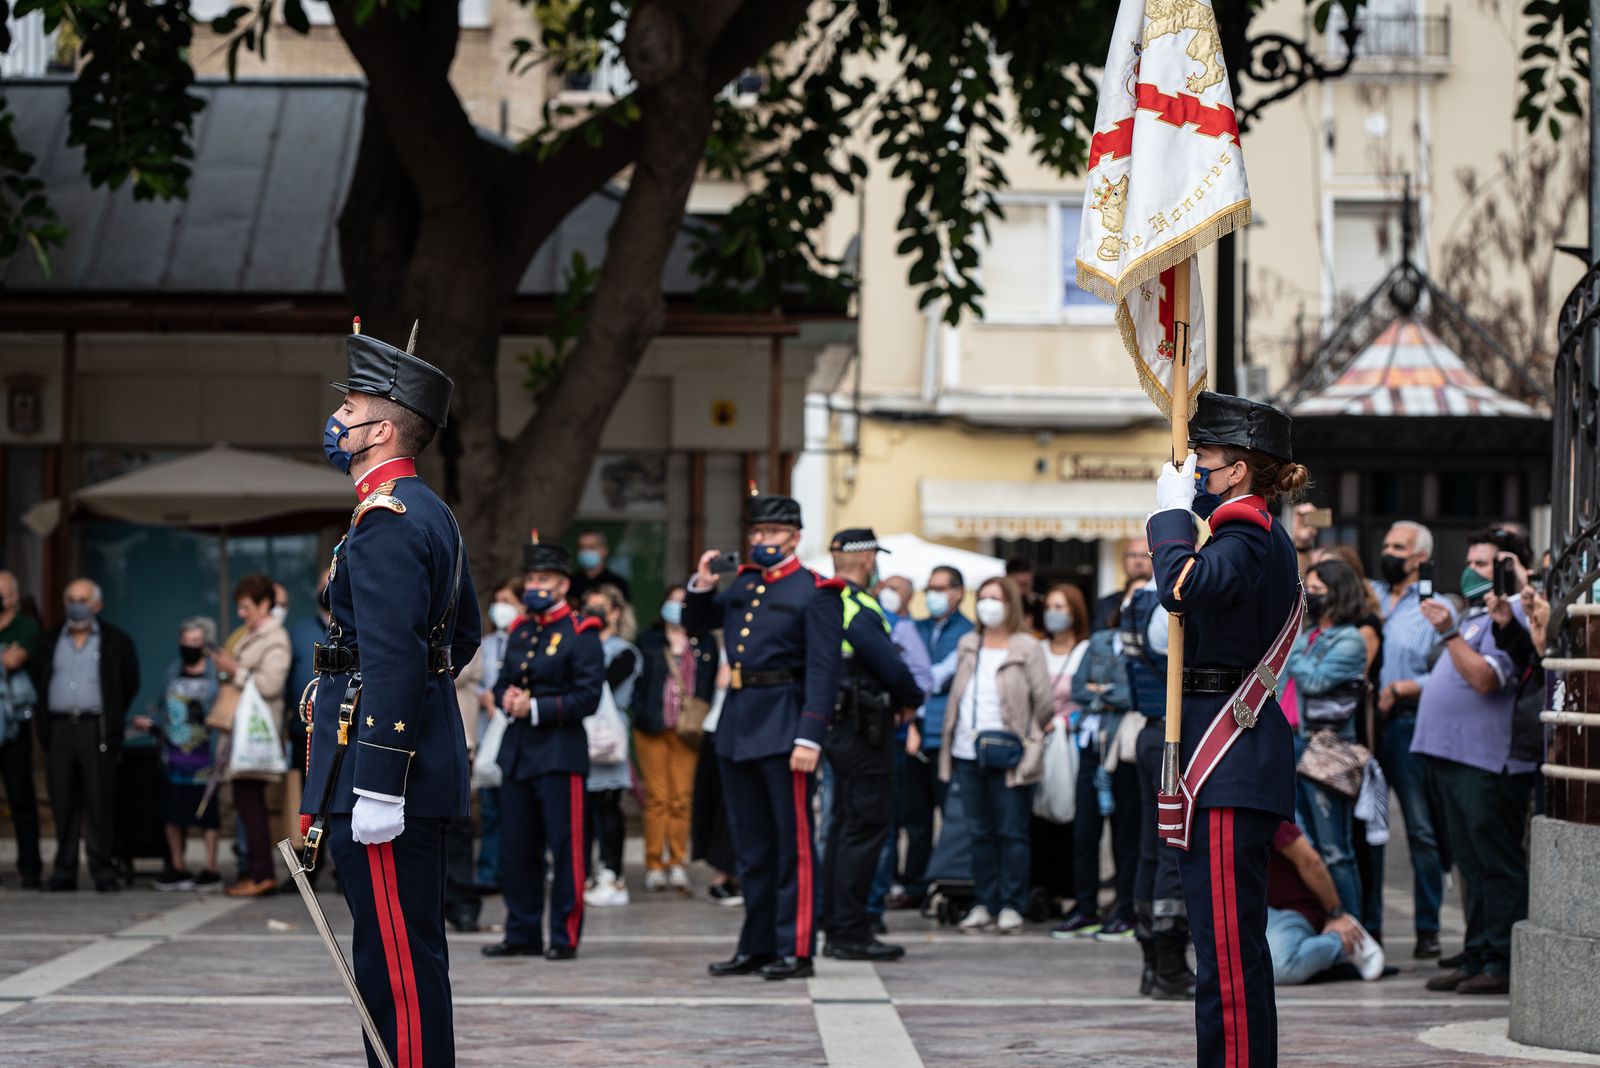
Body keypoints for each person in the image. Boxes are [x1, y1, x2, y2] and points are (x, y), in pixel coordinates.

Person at [301, 327, 481, 1068]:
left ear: (380, 427)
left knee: (397, 972)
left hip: (385, 780)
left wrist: (378, 778)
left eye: (350, 406)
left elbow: (401, 655)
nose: (338, 420)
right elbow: (457, 638)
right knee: (399, 958)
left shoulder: (385, 521)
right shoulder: (424, 509)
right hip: (409, 760)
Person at [1147, 391, 1308, 1068]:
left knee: (1228, 959)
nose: (1196, 471)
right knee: (1223, 949)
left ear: (1238, 470)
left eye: (1204, 459)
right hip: (1224, 753)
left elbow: (1181, 584)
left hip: (1227, 758)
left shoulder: (1246, 535)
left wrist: (1167, 518)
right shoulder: (1244, 533)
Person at [686, 492, 844, 981]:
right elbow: (698, 624)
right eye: (756, 533)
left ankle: (794, 948)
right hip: (738, 723)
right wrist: (702, 584)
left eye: (772, 534)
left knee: (791, 845)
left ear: (794, 537)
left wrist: (810, 737)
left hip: (785, 725)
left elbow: (823, 670)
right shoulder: (745, 585)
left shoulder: (816, 590)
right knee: (749, 847)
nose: (762, 541)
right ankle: (754, 946)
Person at [1412, 527, 1536, 996]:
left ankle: (1501, 960)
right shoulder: (1475, 615)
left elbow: (1488, 679)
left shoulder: (1517, 615)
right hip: (1451, 755)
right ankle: (1477, 952)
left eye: (1483, 564)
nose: (1471, 571)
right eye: (1470, 562)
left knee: (1495, 864)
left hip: (1487, 761)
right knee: (1470, 864)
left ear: (1509, 566)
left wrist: (1446, 631)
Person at [485, 535, 604, 960]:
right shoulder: (520, 629)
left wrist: (533, 706)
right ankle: (522, 931)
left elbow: (587, 697)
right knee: (517, 849)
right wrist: (506, 698)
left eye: (545, 579)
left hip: (558, 752)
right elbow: (502, 682)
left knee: (567, 849)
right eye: (532, 578)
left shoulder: (581, 631)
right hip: (518, 752)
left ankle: (564, 935)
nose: (536, 585)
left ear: (563, 585)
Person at [821, 530, 926, 962]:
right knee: (864, 829)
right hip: (864, 731)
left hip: (840, 728)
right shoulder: (858, 606)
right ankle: (850, 930)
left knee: (843, 827)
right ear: (866, 560)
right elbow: (891, 667)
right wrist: (912, 698)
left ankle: (835, 922)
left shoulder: (826, 600)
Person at [940, 576, 1054, 934]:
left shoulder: (1026, 646)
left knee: (1012, 831)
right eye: (983, 598)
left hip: (1010, 752)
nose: (987, 604)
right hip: (966, 751)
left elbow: (1045, 703)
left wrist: (1030, 738)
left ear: (1010, 605)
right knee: (978, 832)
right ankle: (984, 902)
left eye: (996, 598)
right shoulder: (968, 643)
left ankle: (1011, 904)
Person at [1372, 520, 1447, 960]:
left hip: (1407, 722)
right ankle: (1368, 925)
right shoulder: (1373, 595)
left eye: (1397, 546)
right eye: (1386, 544)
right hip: (1366, 725)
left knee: (1421, 829)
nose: (1388, 552)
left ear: (1420, 557)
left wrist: (1402, 689)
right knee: (1368, 826)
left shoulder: (1435, 607)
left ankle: (1428, 927)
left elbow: (1446, 670)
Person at [38, 578, 140, 892]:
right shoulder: (50, 639)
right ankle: (64, 870)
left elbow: (128, 683)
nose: (76, 604)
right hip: (59, 728)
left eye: (82, 598)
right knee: (62, 801)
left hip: (96, 728)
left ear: (96, 604)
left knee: (100, 801)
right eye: (71, 598)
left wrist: (110, 717)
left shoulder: (114, 640)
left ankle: (102, 869)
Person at [1282, 559, 1370, 921]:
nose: (1311, 598)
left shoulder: (1349, 640)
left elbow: (1315, 681)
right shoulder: (1311, 635)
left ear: (1338, 594)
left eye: (1318, 591)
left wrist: (1293, 650)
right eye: (1310, 590)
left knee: (1336, 849)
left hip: (1325, 749)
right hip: (1296, 742)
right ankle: (1329, 923)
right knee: (1310, 844)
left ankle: (1356, 934)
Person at [1057, 582, 1140, 939]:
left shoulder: (1151, 646)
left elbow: (1139, 693)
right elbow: (1077, 688)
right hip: (1093, 744)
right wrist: (1109, 697)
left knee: (1127, 835)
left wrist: (1103, 694)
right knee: (1084, 831)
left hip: (1124, 747)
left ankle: (1126, 909)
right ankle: (1085, 906)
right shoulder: (1100, 641)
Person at [1123, 578, 1194, 998]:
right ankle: (1167, 963)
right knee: (1171, 845)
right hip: (1172, 735)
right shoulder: (1174, 596)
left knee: (1153, 848)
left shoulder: (1138, 598)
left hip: (1153, 732)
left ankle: (1154, 961)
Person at [212, 573, 291, 898]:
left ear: (264, 604)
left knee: (251, 804)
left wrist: (236, 671)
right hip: (243, 733)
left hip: (256, 736)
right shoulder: (253, 634)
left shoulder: (275, 637)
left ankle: (262, 874)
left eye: (246, 606)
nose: (242, 613)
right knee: (246, 804)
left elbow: (270, 684)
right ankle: (257, 872)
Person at [634, 585, 716, 892]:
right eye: (673, 600)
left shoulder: (705, 641)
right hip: (651, 727)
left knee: (682, 799)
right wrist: (639, 712)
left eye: (684, 602)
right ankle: (654, 864)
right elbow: (637, 682)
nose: (677, 607)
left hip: (688, 730)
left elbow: (708, 684)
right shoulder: (648, 639)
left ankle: (677, 862)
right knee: (657, 799)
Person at [135, 617, 222, 891]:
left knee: (208, 814)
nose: (189, 647)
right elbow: (164, 707)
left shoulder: (215, 675)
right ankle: (178, 866)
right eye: (185, 642)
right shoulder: (173, 672)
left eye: (195, 642)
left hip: (206, 755)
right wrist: (152, 724)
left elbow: (223, 711)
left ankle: (210, 868)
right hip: (173, 755)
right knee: (172, 812)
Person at [866, 573, 932, 923]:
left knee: (887, 822)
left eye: (897, 591)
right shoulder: (861, 617)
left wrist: (905, 717)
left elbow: (922, 680)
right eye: (885, 588)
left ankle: (875, 901)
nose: (888, 594)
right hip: (854, 734)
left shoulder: (904, 629)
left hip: (888, 737)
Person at [906, 566, 973, 901]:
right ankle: (915, 885)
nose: (932, 595)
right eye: (928, 588)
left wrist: (917, 679)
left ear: (957, 592)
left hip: (945, 736)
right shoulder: (913, 628)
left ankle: (948, 884)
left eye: (940, 588)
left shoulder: (968, 632)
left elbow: (931, 678)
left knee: (951, 816)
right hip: (912, 734)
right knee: (914, 819)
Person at [1265, 821, 1384, 985]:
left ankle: (1347, 941)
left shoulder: (1263, 808)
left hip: (1292, 908)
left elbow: (1310, 861)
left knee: (1282, 967)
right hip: (1255, 910)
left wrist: (1336, 914)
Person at [582, 583, 641, 909]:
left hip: (607, 737)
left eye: (601, 606)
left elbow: (598, 682)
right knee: (583, 810)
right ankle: (587, 871)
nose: (593, 612)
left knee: (607, 807)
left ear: (615, 612)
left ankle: (612, 873)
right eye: (588, 606)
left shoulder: (624, 652)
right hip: (579, 736)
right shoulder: (579, 644)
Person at [1033, 583, 1089, 919]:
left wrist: (1067, 720)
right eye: (1050, 606)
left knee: (1070, 814)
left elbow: (1089, 696)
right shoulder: (1036, 649)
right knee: (1037, 817)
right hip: (1038, 742)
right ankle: (1042, 889)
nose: (1054, 613)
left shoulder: (1085, 651)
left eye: (1061, 607)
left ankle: (1070, 889)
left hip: (1072, 744)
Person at [474, 575, 524, 892]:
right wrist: (485, 694)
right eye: (498, 602)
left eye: (508, 602)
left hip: (519, 736)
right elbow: (474, 678)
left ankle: (517, 871)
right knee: (491, 809)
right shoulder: (487, 644)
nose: (500, 608)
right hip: (489, 733)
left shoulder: (529, 640)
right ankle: (488, 872)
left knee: (517, 810)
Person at [0, 570, 43, 889]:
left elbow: (15, 661)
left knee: (21, 797)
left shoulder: (26, 626)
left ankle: (30, 867)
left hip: (14, 725)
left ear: (15, 597)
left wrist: (8, 657)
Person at [690, 649, 742, 907]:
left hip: (743, 732)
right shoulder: (729, 645)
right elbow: (722, 680)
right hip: (721, 731)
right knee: (725, 809)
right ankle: (721, 877)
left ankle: (734, 876)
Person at [283, 576, 328, 857]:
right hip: (306, 732)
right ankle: (309, 862)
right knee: (308, 802)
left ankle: (342, 870)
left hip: (347, 733)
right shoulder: (298, 633)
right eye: (322, 583)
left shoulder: (359, 628)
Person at [1095, 539, 1153, 631]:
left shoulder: (1165, 602)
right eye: (1132, 555)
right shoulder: (1106, 604)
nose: (1138, 561)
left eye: (1145, 555)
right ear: (1123, 562)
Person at [568, 529, 632, 605]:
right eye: (582, 547)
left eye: (592, 547)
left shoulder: (618, 584)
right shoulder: (570, 583)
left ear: (604, 550)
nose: (586, 551)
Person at [1005, 557, 1044, 635]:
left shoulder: (1039, 605)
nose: (1022, 590)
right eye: (1018, 584)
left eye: (1025, 584)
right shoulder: (1002, 607)